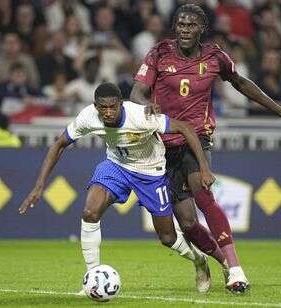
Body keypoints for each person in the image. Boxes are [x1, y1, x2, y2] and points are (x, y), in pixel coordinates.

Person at [131, 4, 281, 293]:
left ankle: (236, 270)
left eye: (191, 25)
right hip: (162, 143)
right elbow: (137, 91)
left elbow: (241, 83)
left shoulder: (215, 56)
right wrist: (143, 106)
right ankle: (222, 262)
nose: (185, 29)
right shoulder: (159, 53)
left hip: (197, 139)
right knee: (186, 223)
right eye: (181, 25)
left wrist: (277, 109)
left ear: (202, 28)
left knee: (203, 193)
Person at [19, 82, 231, 293]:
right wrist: (39, 185)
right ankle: (93, 280)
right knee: (90, 212)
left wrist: (204, 168)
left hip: (151, 172)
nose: (108, 112)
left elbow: (185, 129)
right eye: (103, 107)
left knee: (168, 238)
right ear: (95, 106)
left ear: (121, 104)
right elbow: (59, 144)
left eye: (113, 106)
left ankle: (198, 260)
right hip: (116, 166)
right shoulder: (88, 117)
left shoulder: (141, 116)